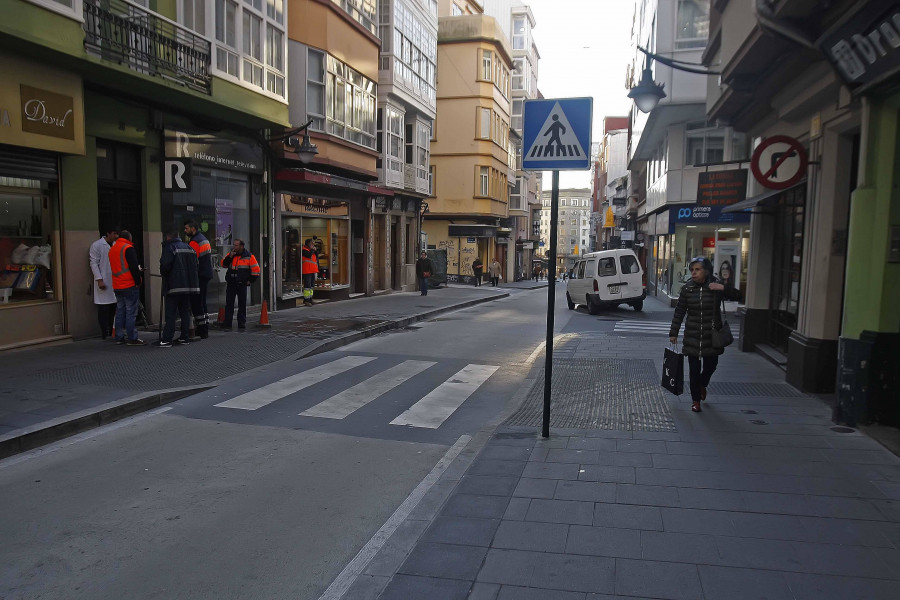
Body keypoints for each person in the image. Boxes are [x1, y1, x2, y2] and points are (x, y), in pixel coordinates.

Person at [669, 256, 741, 413]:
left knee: (711, 365)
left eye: (698, 270)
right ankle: (695, 400)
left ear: (706, 271)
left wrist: (723, 288)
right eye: (692, 270)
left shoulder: (715, 286)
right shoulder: (687, 289)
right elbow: (679, 311)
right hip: (692, 335)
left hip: (712, 336)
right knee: (693, 370)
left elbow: (738, 296)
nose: (694, 273)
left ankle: (703, 383)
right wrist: (673, 332)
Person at [158, 231, 200, 347]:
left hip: (174, 286)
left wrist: (163, 271)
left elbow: (165, 266)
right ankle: (184, 337)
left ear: (168, 237)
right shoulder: (189, 248)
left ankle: (167, 339)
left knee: (171, 313)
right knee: (185, 312)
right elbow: (196, 265)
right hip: (189, 286)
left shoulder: (170, 247)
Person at [108, 229, 145, 346]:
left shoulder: (113, 249)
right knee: (130, 312)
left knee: (120, 311)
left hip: (117, 284)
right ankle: (132, 338)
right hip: (129, 284)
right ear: (129, 238)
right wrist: (138, 280)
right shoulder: (127, 248)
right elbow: (133, 267)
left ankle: (119, 337)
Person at [220, 239, 260, 329]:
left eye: (236, 245)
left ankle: (241, 323)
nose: (234, 247)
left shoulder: (249, 256)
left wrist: (250, 280)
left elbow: (256, 270)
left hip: (241, 283)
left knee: (242, 304)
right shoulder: (231, 255)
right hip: (231, 283)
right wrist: (230, 256)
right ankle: (227, 323)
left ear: (241, 246)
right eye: (234, 245)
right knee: (229, 303)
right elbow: (223, 264)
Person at [89, 225, 119, 339]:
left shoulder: (116, 245)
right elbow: (93, 263)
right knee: (103, 308)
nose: (116, 236)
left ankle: (112, 331)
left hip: (115, 281)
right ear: (108, 233)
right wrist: (99, 279)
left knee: (113, 307)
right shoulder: (97, 245)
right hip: (104, 279)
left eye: (117, 234)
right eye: (114, 234)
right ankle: (104, 332)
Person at [184, 220, 212, 338]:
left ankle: (201, 329)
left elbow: (192, 261)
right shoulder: (203, 239)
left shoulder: (195, 242)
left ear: (193, 229)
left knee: (197, 303)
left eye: (186, 228)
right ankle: (205, 325)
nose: (185, 231)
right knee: (202, 301)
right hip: (206, 273)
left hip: (199, 275)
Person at [301, 237, 318, 306]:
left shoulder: (312, 251)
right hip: (307, 271)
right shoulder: (304, 250)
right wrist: (312, 250)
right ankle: (306, 300)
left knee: (311, 286)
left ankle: (310, 299)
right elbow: (308, 256)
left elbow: (316, 257)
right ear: (308, 244)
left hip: (312, 270)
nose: (313, 245)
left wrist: (315, 251)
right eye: (311, 244)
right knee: (307, 286)